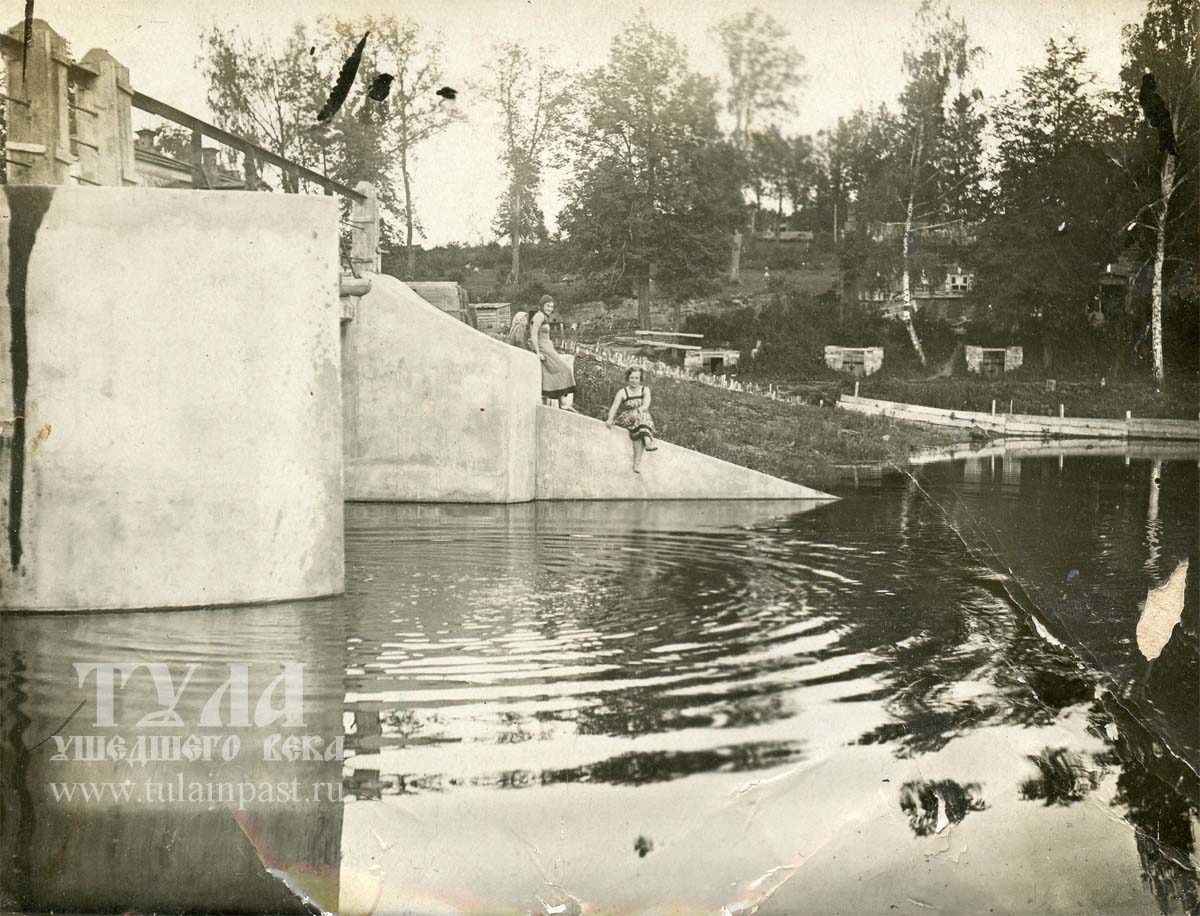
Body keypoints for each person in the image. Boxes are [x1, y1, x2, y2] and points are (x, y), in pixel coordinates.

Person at [606, 367, 658, 473]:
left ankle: (636, 465)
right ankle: (648, 442)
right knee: (643, 425)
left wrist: (637, 411)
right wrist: (610, 419)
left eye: (637, 378)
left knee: (640, 432)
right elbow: (614, 407)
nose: (634, 380)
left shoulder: (645, 390)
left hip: (641, 417)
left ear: (640, 379)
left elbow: (646, 406)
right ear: (628, 378)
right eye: (632, 378)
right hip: (627, 418)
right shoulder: (622, 392)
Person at [530, 295, 576, 410]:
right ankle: (563, 404)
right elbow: (533, 334)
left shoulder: (544, 316)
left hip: (548, 347)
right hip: (543, 348)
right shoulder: (539, 316)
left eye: (551, 306)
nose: (550, 308)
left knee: (555, 372)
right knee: (564, 369)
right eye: (547, 306)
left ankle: (563, 403)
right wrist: (537, 352)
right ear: (542, 305)